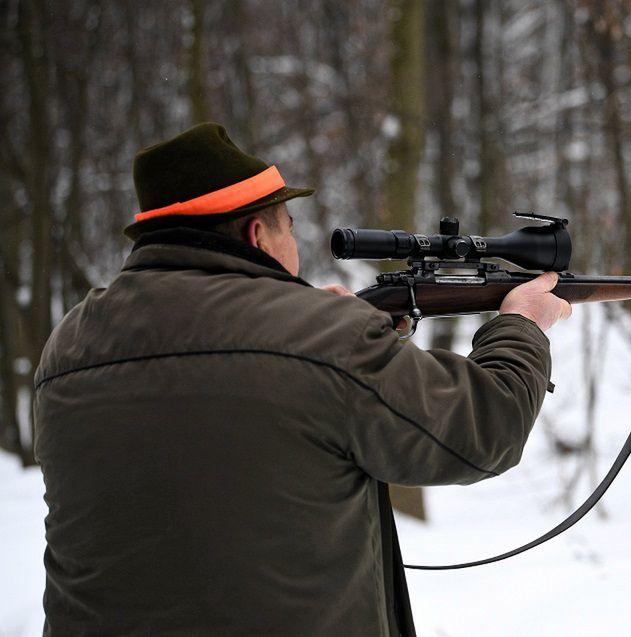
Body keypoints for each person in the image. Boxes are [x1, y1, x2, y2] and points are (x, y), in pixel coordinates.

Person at [33, 122, 571, 636]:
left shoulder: (70, 345)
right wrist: (522, 324)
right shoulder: (323, 339)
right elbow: (484, 432)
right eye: (289, 228)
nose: (295, 249)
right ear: (256, 234)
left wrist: (329, 337)